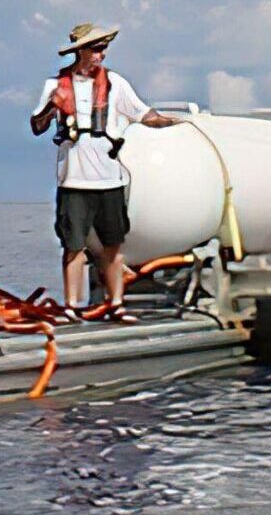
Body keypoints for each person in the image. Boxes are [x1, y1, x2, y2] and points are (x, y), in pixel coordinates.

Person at [29, 24, 179, 316]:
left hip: (110, 180)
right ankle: (72, 306)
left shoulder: (116, 83)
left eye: (103, 48)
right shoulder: (54, 86)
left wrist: (169, 123)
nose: (101, 54)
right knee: (74, 247)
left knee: (113, 247)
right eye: (96, 48)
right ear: (80, 51)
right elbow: (36, 126)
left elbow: (143, 114)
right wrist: (52, 107)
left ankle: (116, 304)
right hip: (73, 182)